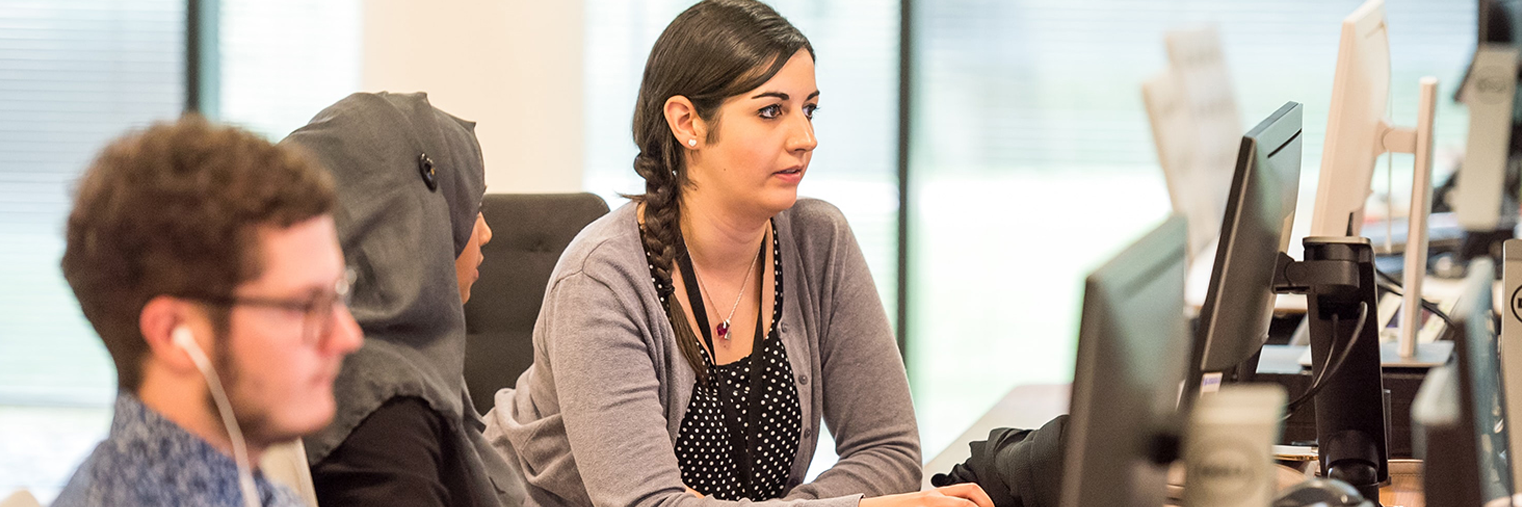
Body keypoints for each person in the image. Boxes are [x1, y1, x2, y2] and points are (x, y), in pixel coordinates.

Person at [485, 2, 993, 506]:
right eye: (771, 111)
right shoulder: (601, 280)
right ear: (688, 123)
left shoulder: (819, 240)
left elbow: (889, 450)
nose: (806, 138)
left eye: (809, 109)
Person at [54, 116, 364, 506]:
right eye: (304, 305)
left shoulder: (246, 490)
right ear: (173, 334)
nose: (347, 335)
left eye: (338, 294)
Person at [281, 92, 521, 507]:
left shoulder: (394, 364)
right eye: (471, 207)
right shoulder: (384, 408)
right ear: (415, 220)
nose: (484, 233)